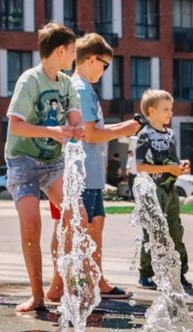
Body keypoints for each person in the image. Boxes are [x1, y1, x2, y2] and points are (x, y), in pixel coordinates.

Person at [46, 33, 139, 302]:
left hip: (85, 173)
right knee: (76, 227)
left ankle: (92, 279)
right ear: (90, 59)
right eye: (105, 65)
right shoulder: (81, 89)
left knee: (90, 225)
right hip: (80, 174)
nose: (105, 71)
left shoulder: (82, 87)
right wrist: (124, 128)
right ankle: (66, 283)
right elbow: (89, 133)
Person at [4, 22, 86, 313]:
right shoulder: (30, 81)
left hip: (53, 164)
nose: (75, 56)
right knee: (31, 226)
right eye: (74, 51)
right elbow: (16, 126)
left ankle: (60, 280)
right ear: (61, 50)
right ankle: (36, 296)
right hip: (23, 163)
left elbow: (76, 118)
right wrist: (52, 131)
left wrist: (77, 129)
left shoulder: (65, 83)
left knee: (78, 217)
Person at [135, 89, 192, 290]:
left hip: (170, 190)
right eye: (166, 109)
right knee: (152, 231)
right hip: (152, 191)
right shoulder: (144, 135)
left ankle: (178, 271)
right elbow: (140, 166)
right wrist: (168, 168)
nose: (170, 113)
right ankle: (146, 273)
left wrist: (180, 167)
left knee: (175, 230)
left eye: (171, 109)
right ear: (151, 111)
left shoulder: (171, 134)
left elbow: (173, 162)